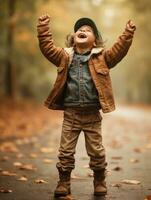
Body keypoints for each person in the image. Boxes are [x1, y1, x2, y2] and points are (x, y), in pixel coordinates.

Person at [37, 15, 136, 197]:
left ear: (95, 41)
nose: (82, 31)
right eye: (79, 29)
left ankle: (99, 180)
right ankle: (64, 182)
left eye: (88, 30)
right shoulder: (64, 56)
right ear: (73, 37)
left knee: (96, 151)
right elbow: (47, 48)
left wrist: (127, 33)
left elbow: (119, 50)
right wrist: (43, 29)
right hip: (71, 114)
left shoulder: (103, 57)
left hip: (92, 115)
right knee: (65, 151)